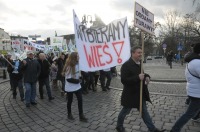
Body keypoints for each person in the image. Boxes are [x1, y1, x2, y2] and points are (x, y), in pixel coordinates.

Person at [116, 46, 166, 132]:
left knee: (144, 112)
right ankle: (119, 126)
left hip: (140, 93)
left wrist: (147, 76)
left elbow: (142, 74)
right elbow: (124, 80)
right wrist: (137, 77)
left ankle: (152, 129)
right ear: (133, 53)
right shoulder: (126, 65)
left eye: (141, 53)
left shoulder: (140, 63)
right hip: (131, 94)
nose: (141, 54)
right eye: (139, 52)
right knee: (125, 111)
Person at [170, 43, 200, 132]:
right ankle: (175, 129)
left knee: (191, 112)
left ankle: (196, 116)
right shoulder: (197, 62)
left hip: (194, 91)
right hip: (197, 93)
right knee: (188, 114)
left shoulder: (193, 61)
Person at [62, 52, 87, 122]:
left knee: (80, 100)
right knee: (70, 101)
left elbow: (78, 74)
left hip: (77, 87)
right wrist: (78, 81)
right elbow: (68, 78)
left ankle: (81, 115)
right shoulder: (69, 66)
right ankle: (69, 114)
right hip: (70, 87)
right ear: (74, 57)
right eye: (78, 56)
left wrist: (81, 77)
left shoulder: (78, 64)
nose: (79, 57)